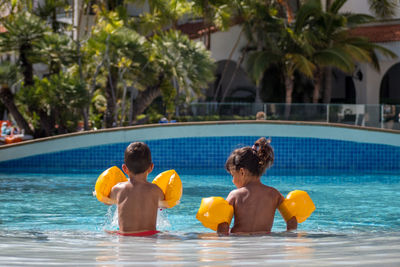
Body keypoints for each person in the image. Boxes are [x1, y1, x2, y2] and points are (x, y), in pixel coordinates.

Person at [217, 137, 297, 235]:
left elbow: (223, 226)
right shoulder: (274, 194)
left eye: (233, 175)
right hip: (265, 242)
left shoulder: (235, 195)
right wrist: (290, 237)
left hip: (239, 242)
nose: (232, 180)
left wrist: (221, 240)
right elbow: (292, 220)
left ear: (242, 172)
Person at [108, 142, 165, 236]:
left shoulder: (117, 189)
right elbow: (164, 204)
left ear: (124, 168)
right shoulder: (156, 190)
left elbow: (107, 201)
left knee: (108, 232)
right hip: (150, 236)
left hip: (124, 236)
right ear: (151, 167)